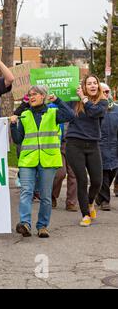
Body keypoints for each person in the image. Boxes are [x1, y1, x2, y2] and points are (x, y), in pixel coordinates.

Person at [11, 86, 75, 238]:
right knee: (26, 191)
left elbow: (71, 115)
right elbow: (18, 139)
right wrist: (13, 125)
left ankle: (42, 226)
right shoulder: (24, 115)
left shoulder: (53, 113)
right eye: (30, 94)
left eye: (35, 94)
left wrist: (58, 100)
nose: (32, 97)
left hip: (48, 159)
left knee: (46, 196)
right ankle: (25, 223)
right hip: (28, 160)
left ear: (43, 96)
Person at [66, 75, 108, 227]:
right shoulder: (74, 100)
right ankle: (85, 214)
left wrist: (84, 98)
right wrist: (56, 100)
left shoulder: (103, 101)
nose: (92, 85)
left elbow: (95, 113)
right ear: (83, 86)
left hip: (93, 144)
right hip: (74, 144)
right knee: (82, 180)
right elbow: (63, 110)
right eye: (88, 83)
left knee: (97, 181)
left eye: (95, 83)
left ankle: (90, 202)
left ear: (98, 86)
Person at [95, 90, 118, 211]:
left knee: (113, 171)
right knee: (103, 173)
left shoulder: (116, 108)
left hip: (114, 145)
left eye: (107, 91)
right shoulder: (95, 108)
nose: (105, 93)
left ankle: (99, 196)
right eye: (103, 91)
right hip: (100, 145)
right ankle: (105, 200)